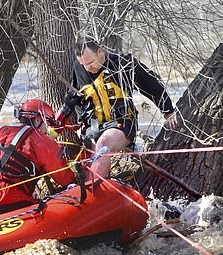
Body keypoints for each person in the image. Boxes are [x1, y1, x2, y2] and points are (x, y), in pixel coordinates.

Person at [57, 37, 178, 178]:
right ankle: (94, 189)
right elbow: (73, 96)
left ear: (100, 52)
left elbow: (152, 85)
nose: (87, 68)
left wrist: (168, 111)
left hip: (122, 123)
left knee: (103, 144)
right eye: (83, 64)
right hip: (94, 127)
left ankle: (93, 195)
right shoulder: (80, 69)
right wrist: (57, 122)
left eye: (90, 63)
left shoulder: (122, 65)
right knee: (87, 158)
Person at [0, 99, 77, 220]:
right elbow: (65, 178)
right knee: (52, 211)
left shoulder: (3, 131)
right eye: (47, 124)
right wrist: (78, 176)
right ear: (37, 120)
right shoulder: (38, 138)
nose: (47, 130)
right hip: (6, 202)